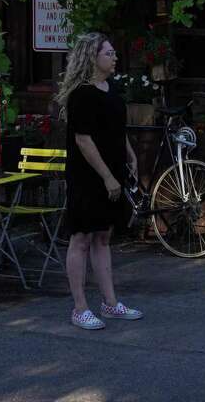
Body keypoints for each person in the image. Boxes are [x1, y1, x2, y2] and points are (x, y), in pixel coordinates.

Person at [55, 32, 144, 330]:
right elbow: (83, 139)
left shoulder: (111, 87)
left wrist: (129, 153)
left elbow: (117, 128)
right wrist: (106, 176)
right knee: (81, 237)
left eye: (114, 52)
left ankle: (110, 303)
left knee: (104, 236)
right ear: (92, 58)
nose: (114, 57)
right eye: (108, 53)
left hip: (114, 171)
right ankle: (80, 307)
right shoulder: (82, 94)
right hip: (88, 175)